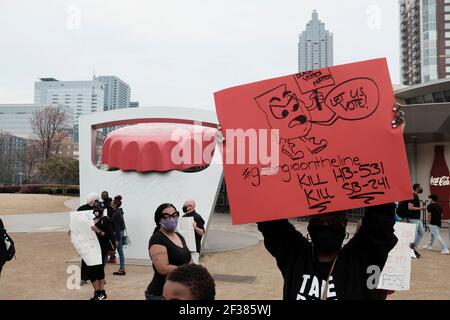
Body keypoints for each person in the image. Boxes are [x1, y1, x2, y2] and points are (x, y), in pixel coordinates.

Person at [256, 106, 405, 300]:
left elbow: (381, 215)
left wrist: (390, 141)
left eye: (333, 222)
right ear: (310, 226)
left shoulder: (360, 259)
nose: (325, 226)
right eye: (319, 222)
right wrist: (238, 148)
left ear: (345, 227)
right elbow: (268, 217)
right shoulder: (295, 256)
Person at [145, 203, 192, 300]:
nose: (172, 219)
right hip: (160, 294)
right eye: (166, 217)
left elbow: (188, 259)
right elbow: (162, 269)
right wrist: (187, 271)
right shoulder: (157, 239)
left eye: (175, 215)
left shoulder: (179, 236)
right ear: (159, 220)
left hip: (179, 293)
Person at [87, 203, 116, 300]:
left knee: (98, 270)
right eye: (94, 208)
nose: (96, 210)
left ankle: (102, 292)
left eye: (98, 208)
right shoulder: (91, 220)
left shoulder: (106, 221)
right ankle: (97, 292)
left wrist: (98, 231)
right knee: (90, 271)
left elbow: (109, 236)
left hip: (101, 249)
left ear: (103, 209)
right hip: (91, 248)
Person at [76, 192, 101, 286]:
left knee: (98, 259)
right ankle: (83, 278)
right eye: (95, 201)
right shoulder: (82, 209)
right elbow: (76, 222)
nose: (97, 202)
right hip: (85, 237)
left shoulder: (99, 209)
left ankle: (99, 278)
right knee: (85, 258)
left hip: (96, 237)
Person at [406, 183, 427, 258]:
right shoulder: (413, 196)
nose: (421, 188)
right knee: (412, 236)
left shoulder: (416, 196)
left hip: (417, 218)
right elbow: (410, 207)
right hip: (412, 218)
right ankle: (411, 251)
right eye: (420, 187)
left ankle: (413, 248)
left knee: (421, 232)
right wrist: (421, 208)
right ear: (417, 188)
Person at [111, 195, 127, 275]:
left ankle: (122, 269)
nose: (111, 203)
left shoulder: (116, 214)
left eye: (112, 202)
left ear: (115, 204)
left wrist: (117, 239)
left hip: (117, 234)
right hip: (120, 233)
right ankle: (122, 269)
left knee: (120, 252)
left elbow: (117, 227)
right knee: (120, 252)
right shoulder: (119, 212)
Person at [102, 191, 116, 264]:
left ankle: (112, 257)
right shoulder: (107, 203)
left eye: (104, 195)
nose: (103, 197)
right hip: (109, 224)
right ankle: (111, 257)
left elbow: (110, 213)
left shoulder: (109, 203)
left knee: (110, 240)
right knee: (110, 240)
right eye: (102, 195)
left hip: (110, 224)